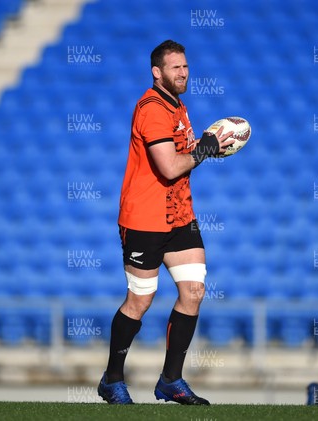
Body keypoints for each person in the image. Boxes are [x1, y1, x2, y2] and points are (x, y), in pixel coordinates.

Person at [97, 40, 234, 405]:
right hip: (144, 218)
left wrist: (204, 147)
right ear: (157, 72)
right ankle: (112, 379)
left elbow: (182, 160)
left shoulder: (178, 106)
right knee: (140, 301)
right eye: (175, 68)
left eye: (185, 66)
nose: (183, 72)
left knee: (193, 292)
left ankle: (171, 380)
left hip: (179, 217)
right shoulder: (153, 109)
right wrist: (205, 147)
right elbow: (170, 166)